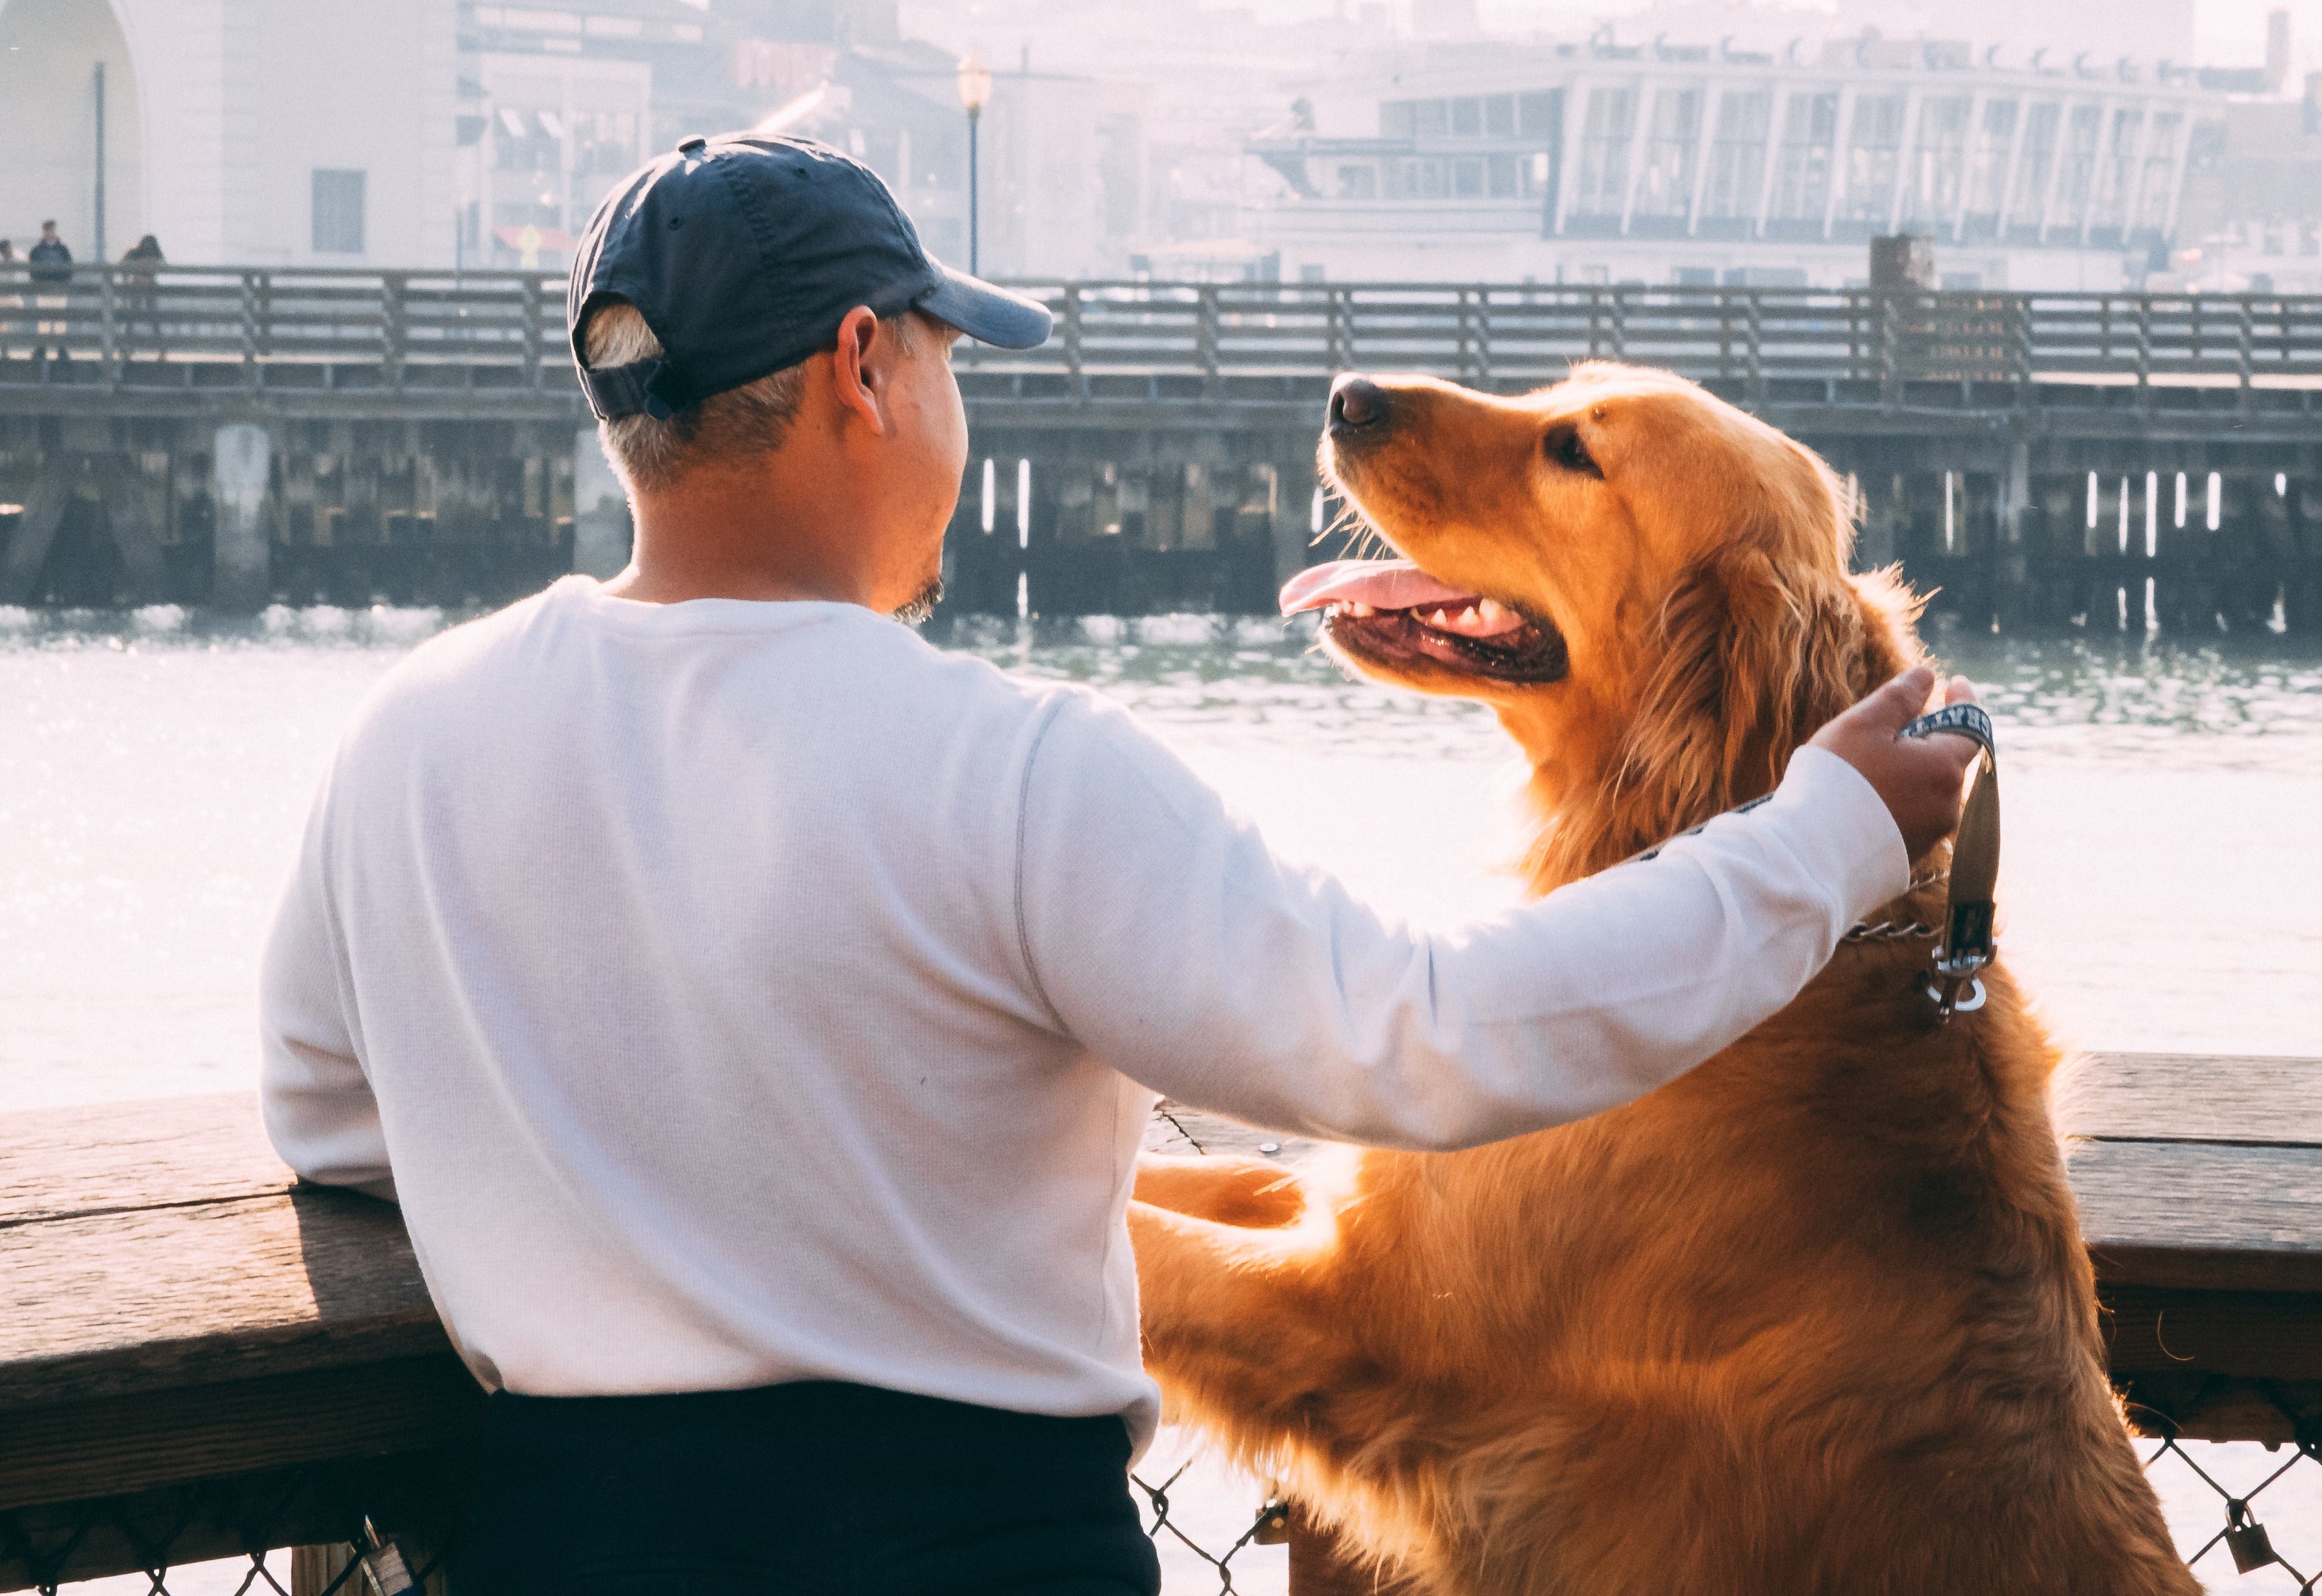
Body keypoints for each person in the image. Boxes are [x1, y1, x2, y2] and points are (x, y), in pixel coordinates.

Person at [259, 134, 1985, 1596]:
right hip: (967, 1545)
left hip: (558, 1542)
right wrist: (1827, 835)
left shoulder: (404, 737)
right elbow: (1423, 1035)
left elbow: (329, 1127)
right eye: (951, 358)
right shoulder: (1005, 767)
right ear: (867, 368)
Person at [28, 220, 72, 357]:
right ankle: (42, 348)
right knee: (44, 320)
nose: (50, 233)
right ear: (44, 232)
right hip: (44, 289)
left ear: (55, 231)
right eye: (47, 230)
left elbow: (69, 268)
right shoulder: (37, 250)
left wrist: (62, 281)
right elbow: (32, 269)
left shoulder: (63, 250)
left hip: (59, 289)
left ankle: (61, 348)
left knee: (60, 320)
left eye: (52, 230)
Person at [122, 235, 164, 347]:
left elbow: (123, 266)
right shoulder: (155, 254)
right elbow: (163, 266)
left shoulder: (134, 254)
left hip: (142, 287)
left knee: (135, 318)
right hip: (146, 287)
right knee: (150, 318)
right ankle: (160, 347)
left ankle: (127, 346)